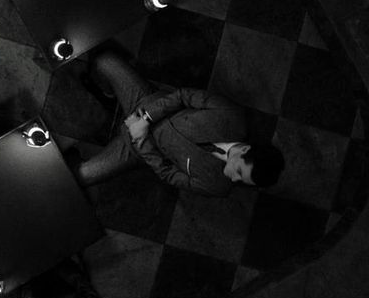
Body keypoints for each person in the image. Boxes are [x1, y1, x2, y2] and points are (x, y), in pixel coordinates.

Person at [74, 48, 285, 197]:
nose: (234, 179)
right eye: (239, 172)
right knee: (103, 59)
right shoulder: (231, 116)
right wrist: (145, 118)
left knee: (80, 178)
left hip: (136, 149)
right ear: (244, 149)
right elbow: (183, 96)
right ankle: (109, 93)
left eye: (241, 181)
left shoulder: (217, 186)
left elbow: (168, 174)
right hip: (145, 103)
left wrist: (140, 139)